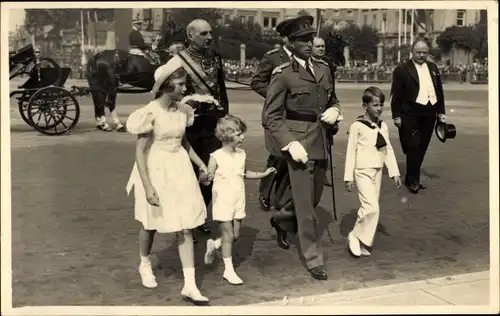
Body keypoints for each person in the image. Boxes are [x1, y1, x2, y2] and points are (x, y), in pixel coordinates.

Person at [262, 15, 342, 281]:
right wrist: (289, 142)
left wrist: (335, 110)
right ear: (290, 43)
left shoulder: (323, 68)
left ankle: (282, 219)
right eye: (302, 40)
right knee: (307, 208)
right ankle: (313, 258)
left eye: (311, 39)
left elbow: (333, 98)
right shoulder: (283, 75)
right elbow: (271, 116)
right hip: (298, 145)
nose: (309, 43)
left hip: (321, 140)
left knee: (314, 197)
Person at [125, 63, 209, 304]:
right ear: (166, 85)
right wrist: (148, 186)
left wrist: (201, 164)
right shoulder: (149, 113)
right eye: (181, 84)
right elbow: (140, 153)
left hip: (180, 168)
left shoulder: (183, 110)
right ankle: (144, 263)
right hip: (155, 168)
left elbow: (184, 143)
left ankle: (190, 286)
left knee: (185, 224)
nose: (185, 88)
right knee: (150, 223)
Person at [161, 19, 229, 236]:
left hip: (212, 123)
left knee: (213, 172)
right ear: (190, 36)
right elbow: (162, 92)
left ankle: (198, 212)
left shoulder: (215, 56)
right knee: (187, 174)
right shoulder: (177, 61)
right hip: (188, 126)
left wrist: (224, 115)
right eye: (203, 34)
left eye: (210, 33)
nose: (209, 37)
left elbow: (221, 88)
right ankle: (186, 218)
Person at [201, 114, 276, 285]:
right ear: (227, 136)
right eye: (238, 134)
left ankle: (214, 245)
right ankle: (229, 270)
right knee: (228, 235)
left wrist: (263, 174)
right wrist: (205, 176)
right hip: (223, 201)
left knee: (235, 235)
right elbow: (206, 180)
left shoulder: (241, 154)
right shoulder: (216, 156)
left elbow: (244, 173)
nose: (242, 137)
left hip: (238, 199)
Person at [344, 87, 401, 257]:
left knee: (370, 208)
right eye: (375, 105)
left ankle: (362, 241)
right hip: (362, 171)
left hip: (377, 171)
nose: (379, 108)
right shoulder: (357, 126)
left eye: (381, 105)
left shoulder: (383, 126)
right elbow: (350, 151)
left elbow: (387, 149)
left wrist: (394, 172)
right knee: (371, 208)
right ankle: (354, 235)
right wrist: (348, 176)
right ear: (365, 106)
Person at [390, 39, 446, 194]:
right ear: (412, 52)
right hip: (410, 112)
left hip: (430, 111)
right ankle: (413, 181)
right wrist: (396, 116)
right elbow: (396, 96)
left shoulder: (433, 68)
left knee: (422, 146)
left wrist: (441, 112)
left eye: (424, 52)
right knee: (413, 146)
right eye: (418, 52)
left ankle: (411, 177)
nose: (422, 55)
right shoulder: (402, 70)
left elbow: (439, 92)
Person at [251, 19, 294, 213]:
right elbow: (257, 81)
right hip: (277, 116)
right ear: (285, 38)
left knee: (289, 157)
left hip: (296, 118)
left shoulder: (306, 59)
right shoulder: (273, 57)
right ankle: (265, 192)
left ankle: (280, 196)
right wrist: (276, 95)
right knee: (277, 156)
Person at [312, 36, 341, 187]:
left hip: (326, 109)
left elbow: (331, 90)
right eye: (318, 46)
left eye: (323, 46)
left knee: (326, 144)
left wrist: (335, 110)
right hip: (310, 113)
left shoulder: (327, 65)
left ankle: (322, 175)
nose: (321, 49)